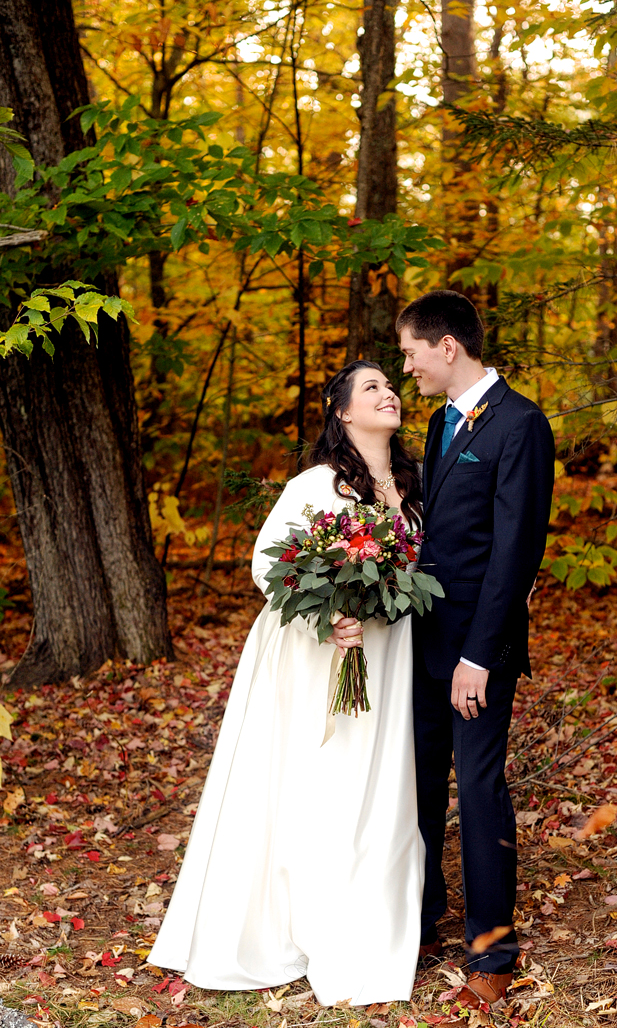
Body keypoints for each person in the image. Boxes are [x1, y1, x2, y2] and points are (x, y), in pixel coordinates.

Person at [148, 361, 425, 1007]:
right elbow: (270, 562)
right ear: (343, 411)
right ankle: (298, 922)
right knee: (320, 782)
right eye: (373, 388)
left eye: (392, 385)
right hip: (315, 654)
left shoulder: (410, 488)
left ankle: (368, 927)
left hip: (387, 655)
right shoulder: (317, 483)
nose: (389, 394)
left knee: (378, 788)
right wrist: (329, 617)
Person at [397, 291, 555, 1008]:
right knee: (422, 787)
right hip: (424, 641)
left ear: (448, 346)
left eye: (412, 352)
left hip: (475, 655)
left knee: (480, 791)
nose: (409, 368)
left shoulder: (522, 424)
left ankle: (494, 955)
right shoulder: (439, 422)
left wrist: (480, 657)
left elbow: (515, 554)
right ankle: (423, 920)